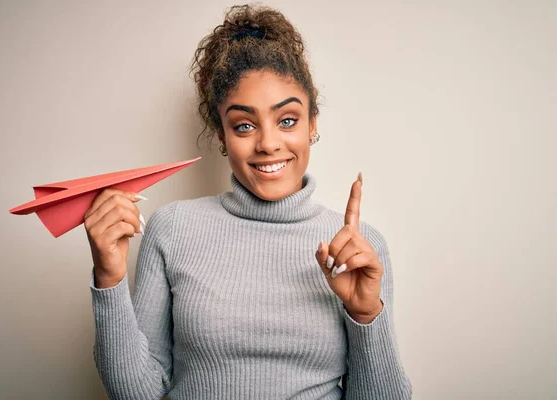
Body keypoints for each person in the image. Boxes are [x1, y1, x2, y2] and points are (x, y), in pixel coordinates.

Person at [85, 4, 412, 399]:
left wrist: (365, 314)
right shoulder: (172, 228)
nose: (269, 143)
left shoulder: (360, 247)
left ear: (312, 125)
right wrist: (109, 279)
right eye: (244, 125)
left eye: (287, 120)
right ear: (222, 136)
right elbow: (137, 394)